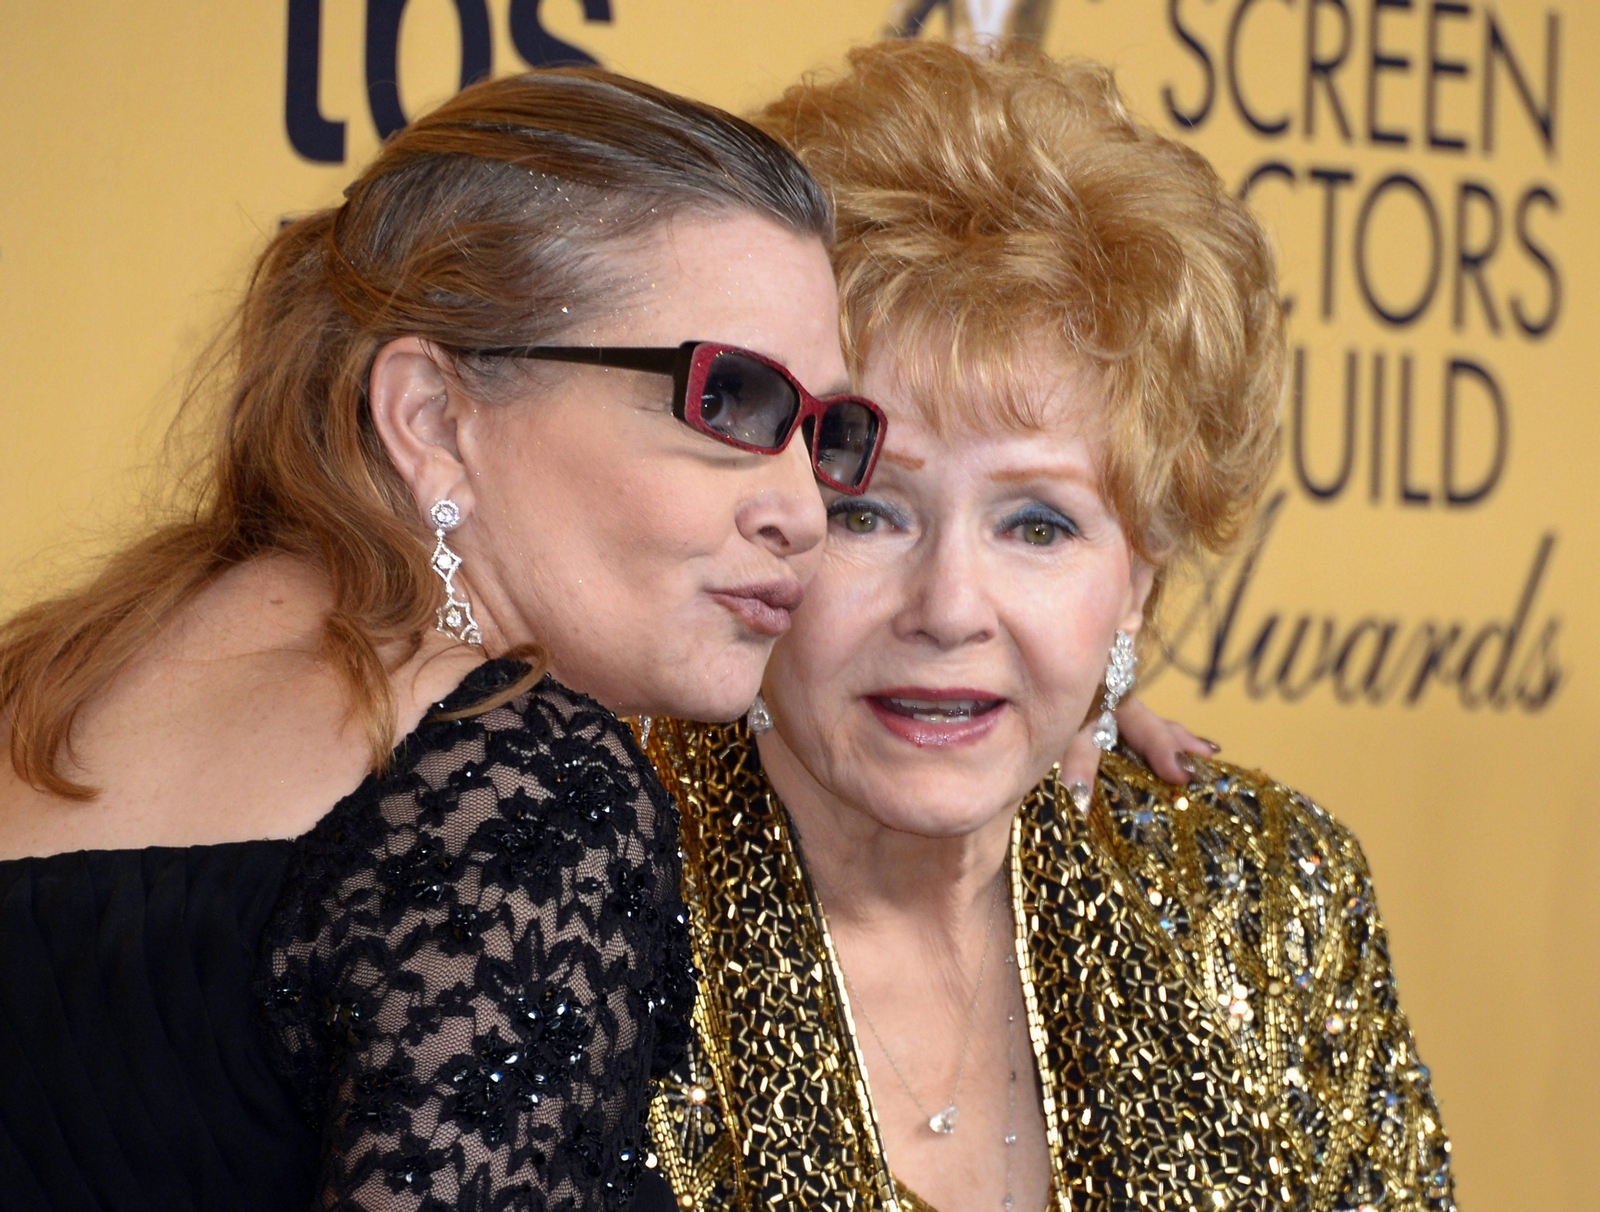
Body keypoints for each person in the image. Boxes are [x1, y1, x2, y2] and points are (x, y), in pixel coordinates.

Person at [0, 67, 892, 1211]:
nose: (803, 509)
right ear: (430, 416)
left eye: (826, 432)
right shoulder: (519, 782)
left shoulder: (52, 686)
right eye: (729, 402)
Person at [630, 40, 1455, 1212]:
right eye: (867, 512)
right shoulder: (586, 913)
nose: (951, 610)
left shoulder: (1259, 885)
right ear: (763, 521)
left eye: (1037, 526)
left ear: (1139, 581)